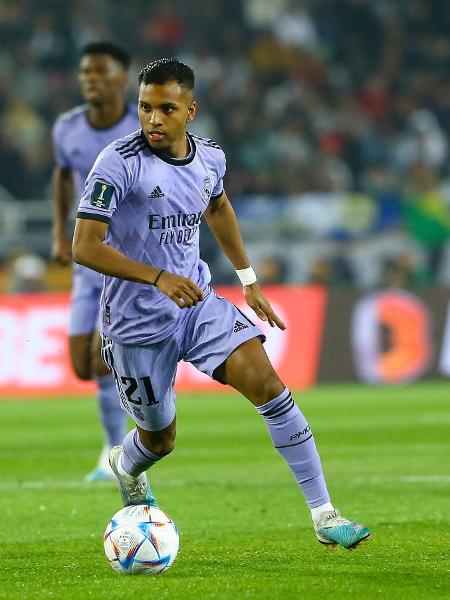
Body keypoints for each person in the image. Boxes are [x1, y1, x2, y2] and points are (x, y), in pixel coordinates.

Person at [72, 58, 370, 549]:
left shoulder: (210, 158)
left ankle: (324, 513)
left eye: (166, 109)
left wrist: (248, 279)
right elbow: (85, 246)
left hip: (196, 303)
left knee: (269, 384)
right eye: (145, 108)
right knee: (159, 440)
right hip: (135, 325)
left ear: (191, 110)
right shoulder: (118, 163)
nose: (153, 120)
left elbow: (218, 206)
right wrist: (157, 276)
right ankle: (125, 465)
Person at [52, 42, 140, 481]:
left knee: (105, 359)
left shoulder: (142, 128)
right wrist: (58, 235)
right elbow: (62, 179)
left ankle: (116, 451)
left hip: (124, 261)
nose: (90, 78)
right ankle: (116, 442)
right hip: (86, 260)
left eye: (101, 72)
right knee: (80, 363)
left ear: (123, 78)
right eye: (85, 72)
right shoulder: (67, 129)